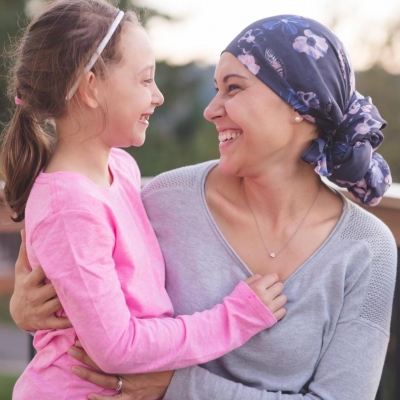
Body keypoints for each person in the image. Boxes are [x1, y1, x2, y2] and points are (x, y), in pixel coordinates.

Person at [10, 14, 398, 400]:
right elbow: (89, 288)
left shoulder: (368, 250)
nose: (209, 110)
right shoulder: (162, 199)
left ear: (299, 104)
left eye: (233, 87)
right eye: (215, 88)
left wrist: (178, 385)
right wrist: (26, 311)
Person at [0, 2, 288, 399]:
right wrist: (235, 318)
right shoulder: (69, 207)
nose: (158, 96)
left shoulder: (121, 168)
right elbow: (117, 347)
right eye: (144, 80)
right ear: (90, 89)